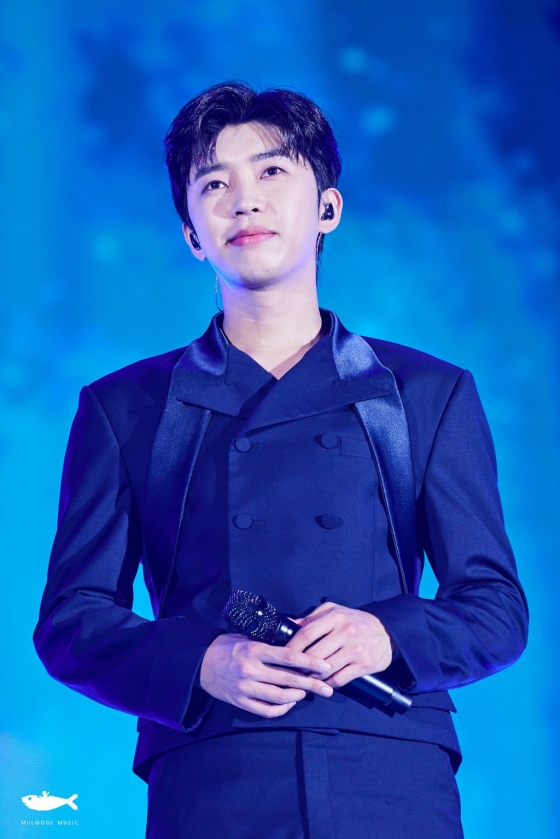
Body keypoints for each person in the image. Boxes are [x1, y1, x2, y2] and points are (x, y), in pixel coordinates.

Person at [33, 81, 528, 839]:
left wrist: (387, 635)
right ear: (192, 234)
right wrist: (199, 660)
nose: (245, 201)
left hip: (389, 768)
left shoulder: (426, 392)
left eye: (271, 171)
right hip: (214, 770)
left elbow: (495, 609)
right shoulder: (125, 407)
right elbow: (71, 621)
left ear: (328, 207)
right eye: (214, 184)